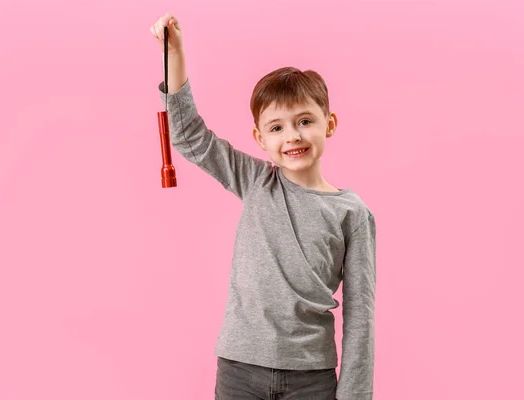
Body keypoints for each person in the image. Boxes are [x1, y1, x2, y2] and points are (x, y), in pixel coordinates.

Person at [150, 13, 376, 400]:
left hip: (312, 379)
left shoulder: (352, 214)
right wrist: (175, 54)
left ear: (330, 123)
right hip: (239, 372)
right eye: (277, 127)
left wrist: (353, 396)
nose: (292, 136)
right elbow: (188, 136)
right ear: (259, 138)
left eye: (305, 121)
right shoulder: (256, 181)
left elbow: (360, 317)